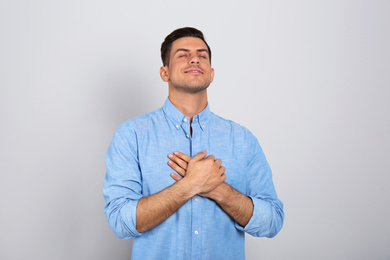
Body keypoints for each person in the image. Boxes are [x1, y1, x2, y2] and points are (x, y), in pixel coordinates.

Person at [103, 27, 284, 260]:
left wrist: (219, 190)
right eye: (182, 54)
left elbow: (272, 221)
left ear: (211, 73)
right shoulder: (132, 135)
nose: (195, 58)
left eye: (202, 55)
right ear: (164, 72)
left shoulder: (242, 139)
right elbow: (120, 221)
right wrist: (189, 185)